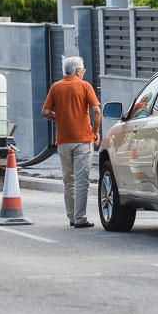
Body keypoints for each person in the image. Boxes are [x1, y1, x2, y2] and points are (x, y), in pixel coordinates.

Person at [42, 56, 101, 228]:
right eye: (83, 69)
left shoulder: (56, 87)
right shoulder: (85, 86)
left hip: (63, 141)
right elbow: (96, 110)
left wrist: (59, 117)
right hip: (82, 140)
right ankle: (80, 218)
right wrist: (96, 132)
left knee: (69, 180)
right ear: (77, 70)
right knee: (82, 180)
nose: (83, 72)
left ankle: (72, 217)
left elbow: (45, 112)